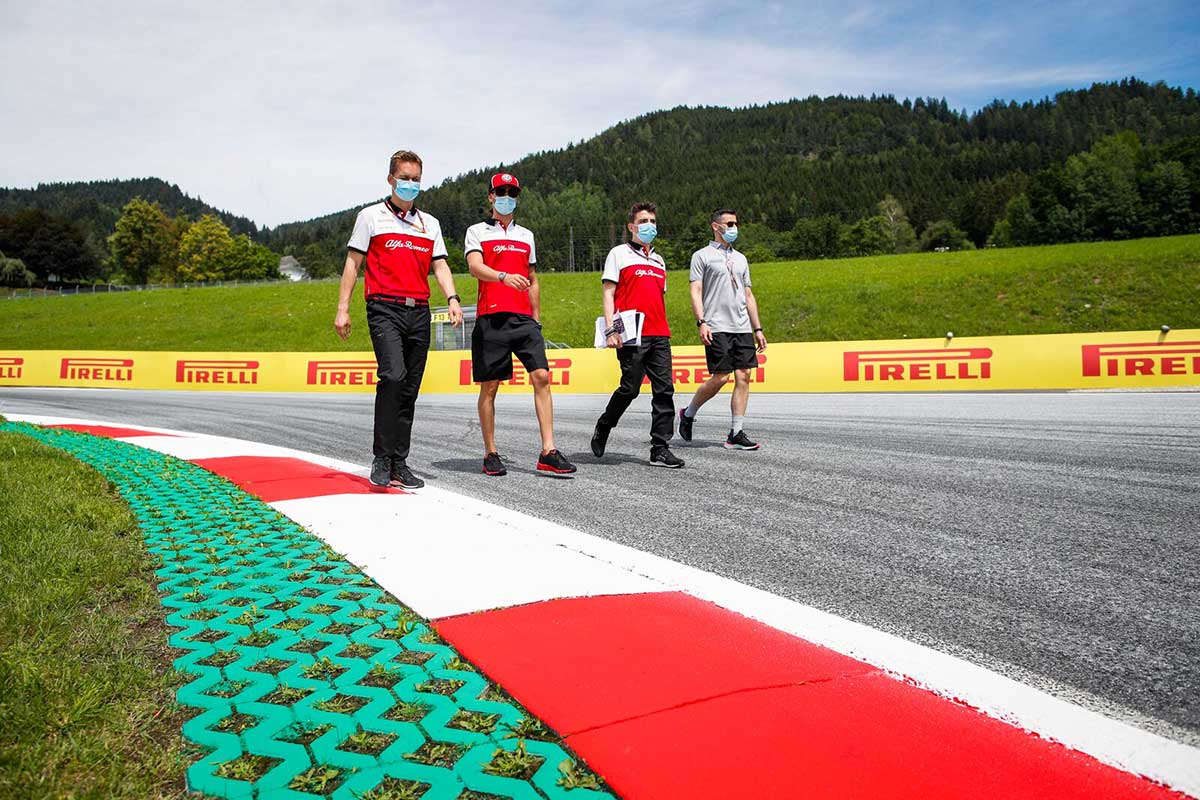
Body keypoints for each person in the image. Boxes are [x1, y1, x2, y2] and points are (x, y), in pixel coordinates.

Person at [334, 149, 463, 489]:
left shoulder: (429, 224)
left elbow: (440, 265)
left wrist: (452, 298)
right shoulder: (371, 217)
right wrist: (342, 308)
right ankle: (380, 457)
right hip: (384, 308)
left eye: (415, 180)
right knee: (392, 376)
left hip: (419, 310)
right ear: (391, 179)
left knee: (409, 388)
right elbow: (352, 263)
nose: (409, 184)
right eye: (404, 178)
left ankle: (399, 462)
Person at [464, 172, 576, 476]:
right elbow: (474, 267)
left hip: (524, 319)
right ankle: (490, 452)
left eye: (512, 192)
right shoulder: (477, 231)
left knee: (542, 376)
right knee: (490, 387)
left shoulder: (526, 235)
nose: (506, 196)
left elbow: (533, 279)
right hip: (492, 318)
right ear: (490, 196)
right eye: (501, 191)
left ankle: (548, 451)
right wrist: (502, 277)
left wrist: (536, 316)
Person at [591, 202, 685, 468]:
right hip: (632, 335)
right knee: (630, 388)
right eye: (644, 222)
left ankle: (660, 448)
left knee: (664, 390)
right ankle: (605, 424)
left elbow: (657, 298)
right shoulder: (618, 254)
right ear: (631, 226)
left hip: (660, 334)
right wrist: (611, 330)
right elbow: (609, 293)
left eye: (653, 222)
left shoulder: (658, 259)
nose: (649, 226)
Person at [678, 208, 767, 450]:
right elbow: (695, 291)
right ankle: (688, 413)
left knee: (744, 376)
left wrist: (757, 328)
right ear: (715, 227)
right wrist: (701, 321)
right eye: (729, 224)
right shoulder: (702, 256)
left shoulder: (741, 258)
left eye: (736, 223)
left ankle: (736, 432)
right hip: (717, 325)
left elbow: (748, 294)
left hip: (741, 326)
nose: (734, 228)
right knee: (721, 378)